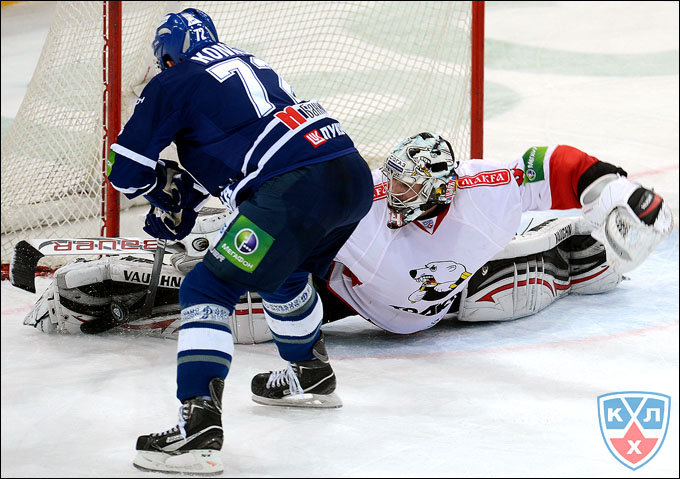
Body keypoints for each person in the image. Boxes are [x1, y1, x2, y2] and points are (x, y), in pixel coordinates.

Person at [25, 134, 673, 340]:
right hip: (343, 292)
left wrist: (611, 188)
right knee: (214, 286)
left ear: (444, 188)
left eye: (411, 188)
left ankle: (610, 258)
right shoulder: (360, 206)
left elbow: (555, 162)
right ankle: (89, 287)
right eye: (394, 180)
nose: (396, 193)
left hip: (451, 297)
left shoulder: (484, 187)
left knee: (564, 259)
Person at [101, 8, 374, 474]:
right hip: (351, 175)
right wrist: (185, 191)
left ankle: (198, 430)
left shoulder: (173, 80)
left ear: (167, 55)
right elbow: (246, 145)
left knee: (206, 289)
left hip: (294, 186)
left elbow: (123, 171)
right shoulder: (253, 63)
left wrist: (156, 191)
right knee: (285, 274)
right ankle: (310, 376)